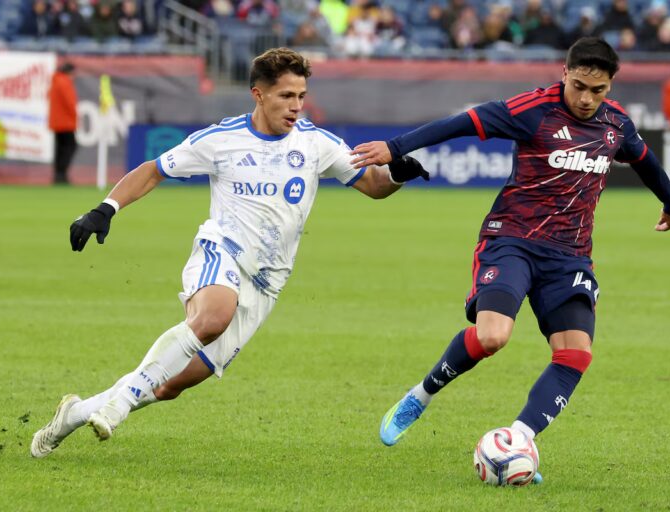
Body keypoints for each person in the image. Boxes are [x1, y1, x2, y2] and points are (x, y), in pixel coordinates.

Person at [30, 47, 429, 458]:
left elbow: (373, 186)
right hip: (221, 251)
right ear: (258, 94)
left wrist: (399, 173)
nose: (296, 106)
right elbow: (153, 169)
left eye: (301, 96)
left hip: (267, 283)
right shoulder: (221, 140)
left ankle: (75, 414)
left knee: (169, 385)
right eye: (285, 96)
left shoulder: (316, 144)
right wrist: (104, 209)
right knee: (212, 317)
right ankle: (119, 405)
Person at [351, 37, 670, 482]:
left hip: (570, 257)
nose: (586, 99)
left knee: (576, 355)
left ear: (610, 86)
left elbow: (646, 162)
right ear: (565, 73)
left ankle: (519, 440)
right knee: (493, 337)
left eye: (597, 90)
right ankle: (421, 395)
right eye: (579, 85)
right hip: (512, 241)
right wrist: (395, 147)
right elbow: (461, 124)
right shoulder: (534, 110)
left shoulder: (615, 125)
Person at [48, 61, 78, 185]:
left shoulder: (55, 81)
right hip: (66, 122)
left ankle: (58, 175)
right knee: (70, 147)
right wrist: (74, 114)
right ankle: (62, 174)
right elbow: (70, 102)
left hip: (56, 121)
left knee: (60, 149)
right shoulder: (65, 82)